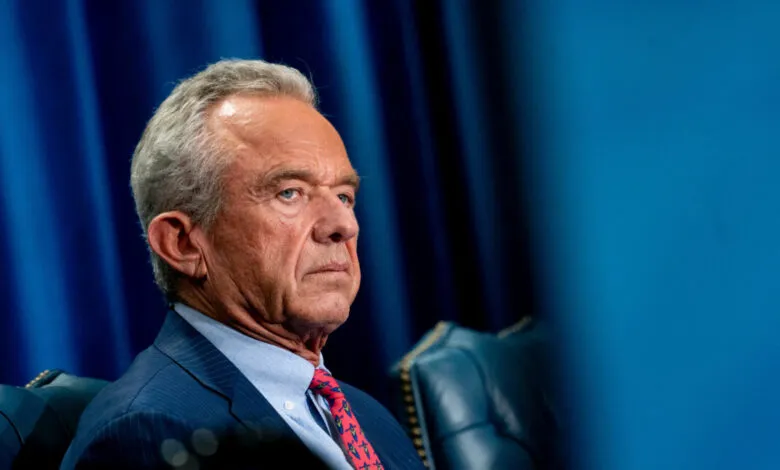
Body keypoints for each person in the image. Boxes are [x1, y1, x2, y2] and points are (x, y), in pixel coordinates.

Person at [61, 59, 425, 470]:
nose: (343, 225)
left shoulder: (368, 417)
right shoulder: (152, 434)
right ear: (183, 243)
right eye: (290, 192)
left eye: (343, 196)